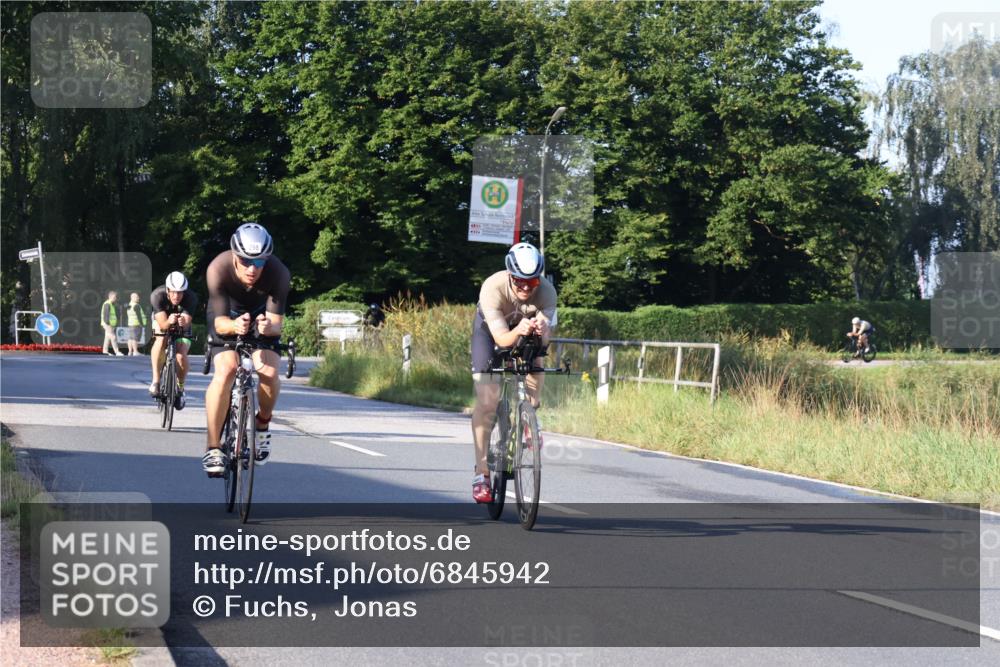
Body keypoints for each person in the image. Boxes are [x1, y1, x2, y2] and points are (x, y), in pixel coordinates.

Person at [469, 242, 556, 503]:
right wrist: (519, 330)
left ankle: (530, 418)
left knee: (537, 358)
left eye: (532, 283)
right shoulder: (492, 288)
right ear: (510, 275)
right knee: (487, 402)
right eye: (520, 281)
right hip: (491, 332)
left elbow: (546, 341)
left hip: (523, 329)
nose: (526, 288)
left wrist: (543, 331)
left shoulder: (548, 292)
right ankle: (481, 472)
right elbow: (502, 339)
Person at [202, 223, 291, 477]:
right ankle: (213, 446)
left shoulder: (279, 273)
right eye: (245, 261)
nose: (253, 269)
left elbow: (277, 326)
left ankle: (262, 424)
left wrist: (266, 326)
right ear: (234, 256)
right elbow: (219, 323)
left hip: (261, 317)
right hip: (226, 315)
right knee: (227, 369)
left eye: (260, 262)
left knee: (269, 372)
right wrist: (234, 324)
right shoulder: (217, 268)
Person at [149, 272, 198, 409]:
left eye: (180, 293)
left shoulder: (191, 298)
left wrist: (183, 322)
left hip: (181, 327)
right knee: (161, 339)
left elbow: (187, 324)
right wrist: (169, 322)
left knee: (181, 356)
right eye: (174, 292)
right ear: (168, 290)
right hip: (163, 320)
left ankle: (180, 388)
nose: (177, 296)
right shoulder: (157, 296)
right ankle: (156, 381)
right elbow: (163, 325)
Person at [100, 291, 124, 356]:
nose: (116, 298)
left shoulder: (111, 304)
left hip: (110, 324)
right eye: (115, 297)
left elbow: (112, 315)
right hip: (108, 324)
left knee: (107, 338)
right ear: (111, 296)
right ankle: (117, 352)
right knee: (113, 337)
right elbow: (106, 315)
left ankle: (105, 351)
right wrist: (108, 324)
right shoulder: (107, 304)